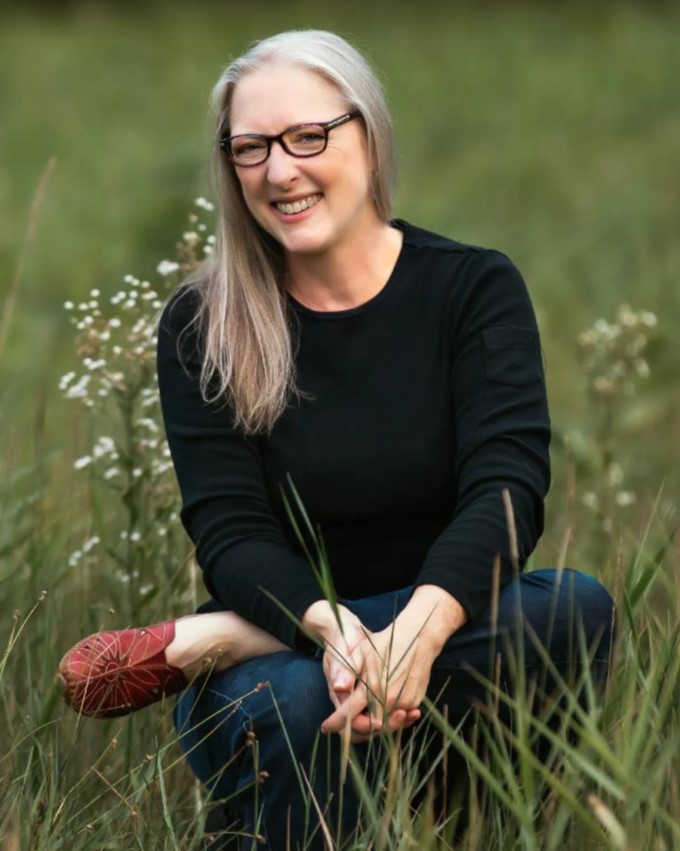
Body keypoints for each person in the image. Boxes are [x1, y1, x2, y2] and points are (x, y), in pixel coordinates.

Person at [57, 29, 615, 850]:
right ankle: (249, 659)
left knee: (577, 610)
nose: (280, 170)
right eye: (251, 148)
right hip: (286, 661)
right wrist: (330, 630)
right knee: (294, 696)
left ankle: (218, 639)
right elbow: (231, 532)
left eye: (308, 136)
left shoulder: (472, 289)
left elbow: (507, 487)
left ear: (369, 132)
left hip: (455, 643)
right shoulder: (203, 324)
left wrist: (418, 634)